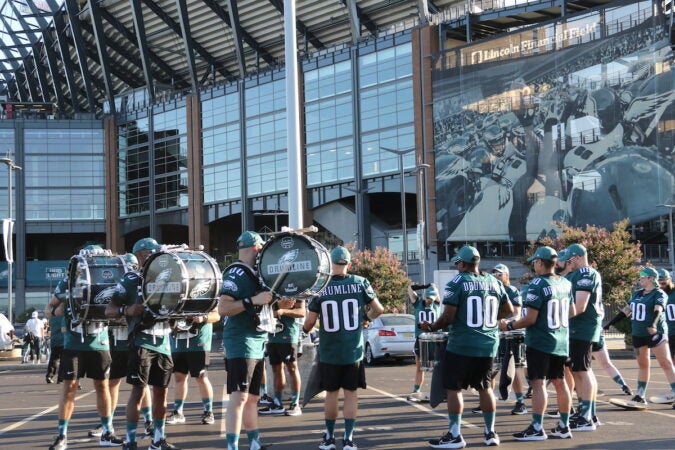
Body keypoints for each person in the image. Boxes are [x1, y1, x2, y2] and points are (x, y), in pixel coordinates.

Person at [420, 245, 512, 449]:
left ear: (462, 263)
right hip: (488, 344)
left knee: (454, 389)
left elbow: (448, 316)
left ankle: (455, 434)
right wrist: (488, 321)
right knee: (485, 387)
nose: (457, 266)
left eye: (457, 263)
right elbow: (508, 309)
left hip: (462, 344)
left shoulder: (457, 282)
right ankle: (490, 433)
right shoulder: (494, 282)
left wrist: (432, 326)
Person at [303, 245, 384, 450]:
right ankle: (348, 439)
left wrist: (306, 327)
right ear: (348, 264)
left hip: (330, 351)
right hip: (353, 350)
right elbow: (379, 309)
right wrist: (365, 319)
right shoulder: (359, 283)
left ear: (330, 263)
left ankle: (329, 438)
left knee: (331, 393)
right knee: (351, 393)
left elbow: (309, 323)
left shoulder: (321, 286)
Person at [107, 237, 179, 450]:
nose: (153, 256)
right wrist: (126, 311)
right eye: (148, 252)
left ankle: (158, 439)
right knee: (138, 391)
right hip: (142, 341)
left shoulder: (168, 278)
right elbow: (110, 309)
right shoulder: (131, 279)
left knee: (162, 392)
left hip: (164, 341)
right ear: (139, 255)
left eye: (155, 252)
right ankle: (130, 441)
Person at [49, 248, 123, 450]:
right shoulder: (67, 282)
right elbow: (49, 309)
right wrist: (59, 310)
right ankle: (62, 435)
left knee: (102, 387)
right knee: (69, 388)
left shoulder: (110, 281)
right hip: (73, 343)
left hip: (99, 342)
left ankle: (108, 431)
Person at [500, 246, 575, 441]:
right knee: (560, 382)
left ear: (540, 262)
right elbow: (572, 311)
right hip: (560, 340)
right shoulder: (565, 283)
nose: (533, 264)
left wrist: (509, 325)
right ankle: (564, 425)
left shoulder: (537, 284)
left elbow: (530, 319)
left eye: (534, 261)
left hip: (541, 341)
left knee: (538, 383)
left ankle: (536, 427)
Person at [218, 231, 273, 450]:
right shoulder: (236, 273)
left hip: (256, 340)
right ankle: (232, 446)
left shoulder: (255, 273)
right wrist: (252, 300)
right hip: (241, 342)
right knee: (239, 397)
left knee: (252, 398)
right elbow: (223, 308)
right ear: (256, 248)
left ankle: (254, 444)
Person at [603, 266, 675, 407]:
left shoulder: (659, 293)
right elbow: (626, 311)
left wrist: (653, 324)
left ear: (650, 278)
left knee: (665, 362)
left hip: (655, 333)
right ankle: (640, 395)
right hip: (638, 333)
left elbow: (658, 309)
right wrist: (609, 324)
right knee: (643, 365)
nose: (640, 279)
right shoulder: (637, 294)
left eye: (643, 277)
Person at [565, 243, 603, 431]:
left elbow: (580, 306)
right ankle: (587, 412)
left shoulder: (587, 273)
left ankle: (586, 416)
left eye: (570, 260)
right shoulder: (575, 274)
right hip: (577, 328)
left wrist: (555, 318)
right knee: (579, 370)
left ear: (578, 257)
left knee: (582, 371)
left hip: (582, 328)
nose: (568, 263)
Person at [166, 310, 221, 425]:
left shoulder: (205, 293)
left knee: (201, 377)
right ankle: (178, 412)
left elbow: (216, 315)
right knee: (179, 378)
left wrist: (203, 318)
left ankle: (208, 411)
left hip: (198, 342)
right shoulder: (174, 293)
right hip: (177, 341)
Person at [258, 297, 306, 416]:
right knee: (276, 369)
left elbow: (301, 312)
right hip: (271, 333)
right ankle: (277, 403)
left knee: (292, 368)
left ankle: (295, 404)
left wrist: (282, 311)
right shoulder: (270, 288)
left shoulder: (295, 288)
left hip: (289, 335)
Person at [492, 263, 528, 415]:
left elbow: (517, 314)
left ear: (507, 275)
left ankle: (520, 402)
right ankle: (487, 400)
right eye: (494, 274)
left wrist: (507, 322)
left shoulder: (511, 291)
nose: (496, 276)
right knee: (490, 369)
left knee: (514, 369)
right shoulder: (491, 290)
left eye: (500, 274)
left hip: (509, 335)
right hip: (493, 334)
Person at [407, 283, 441, 401]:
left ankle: (440, 389)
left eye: (432, 298)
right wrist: (425, 286)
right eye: (428, 297)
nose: (429, 300)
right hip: (421, 339)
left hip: (435, 339)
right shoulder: (418, 303)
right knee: (420, 366)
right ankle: (416, 389)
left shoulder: (436, 304)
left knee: (438, 366)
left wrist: (433, 288)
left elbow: (436, 294)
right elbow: (410, 289)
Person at [45, 279, 67, 383]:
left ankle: (49, 376)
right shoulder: (64, 317)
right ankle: (61, 378)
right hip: (63, 341)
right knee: (64, 360)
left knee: (53, 359)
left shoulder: (52, 318)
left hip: (54, 340)